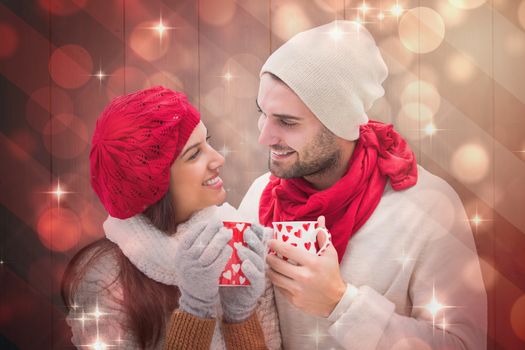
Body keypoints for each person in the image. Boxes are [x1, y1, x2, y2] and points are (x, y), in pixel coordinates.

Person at [239, 20, 487, 349]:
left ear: (340, 123)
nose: (264, 136)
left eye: (287, 121)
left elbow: (464, 344)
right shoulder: (262, 196)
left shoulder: (429, 208)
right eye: (263, 113)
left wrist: (340, 305)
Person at [61, 86, 281, 349]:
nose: (218, 159)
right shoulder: (104, 279)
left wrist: (240, 315)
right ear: (154, 182)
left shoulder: (237, 243)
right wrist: (195, 309)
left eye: (207, 141)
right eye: (194, 154)